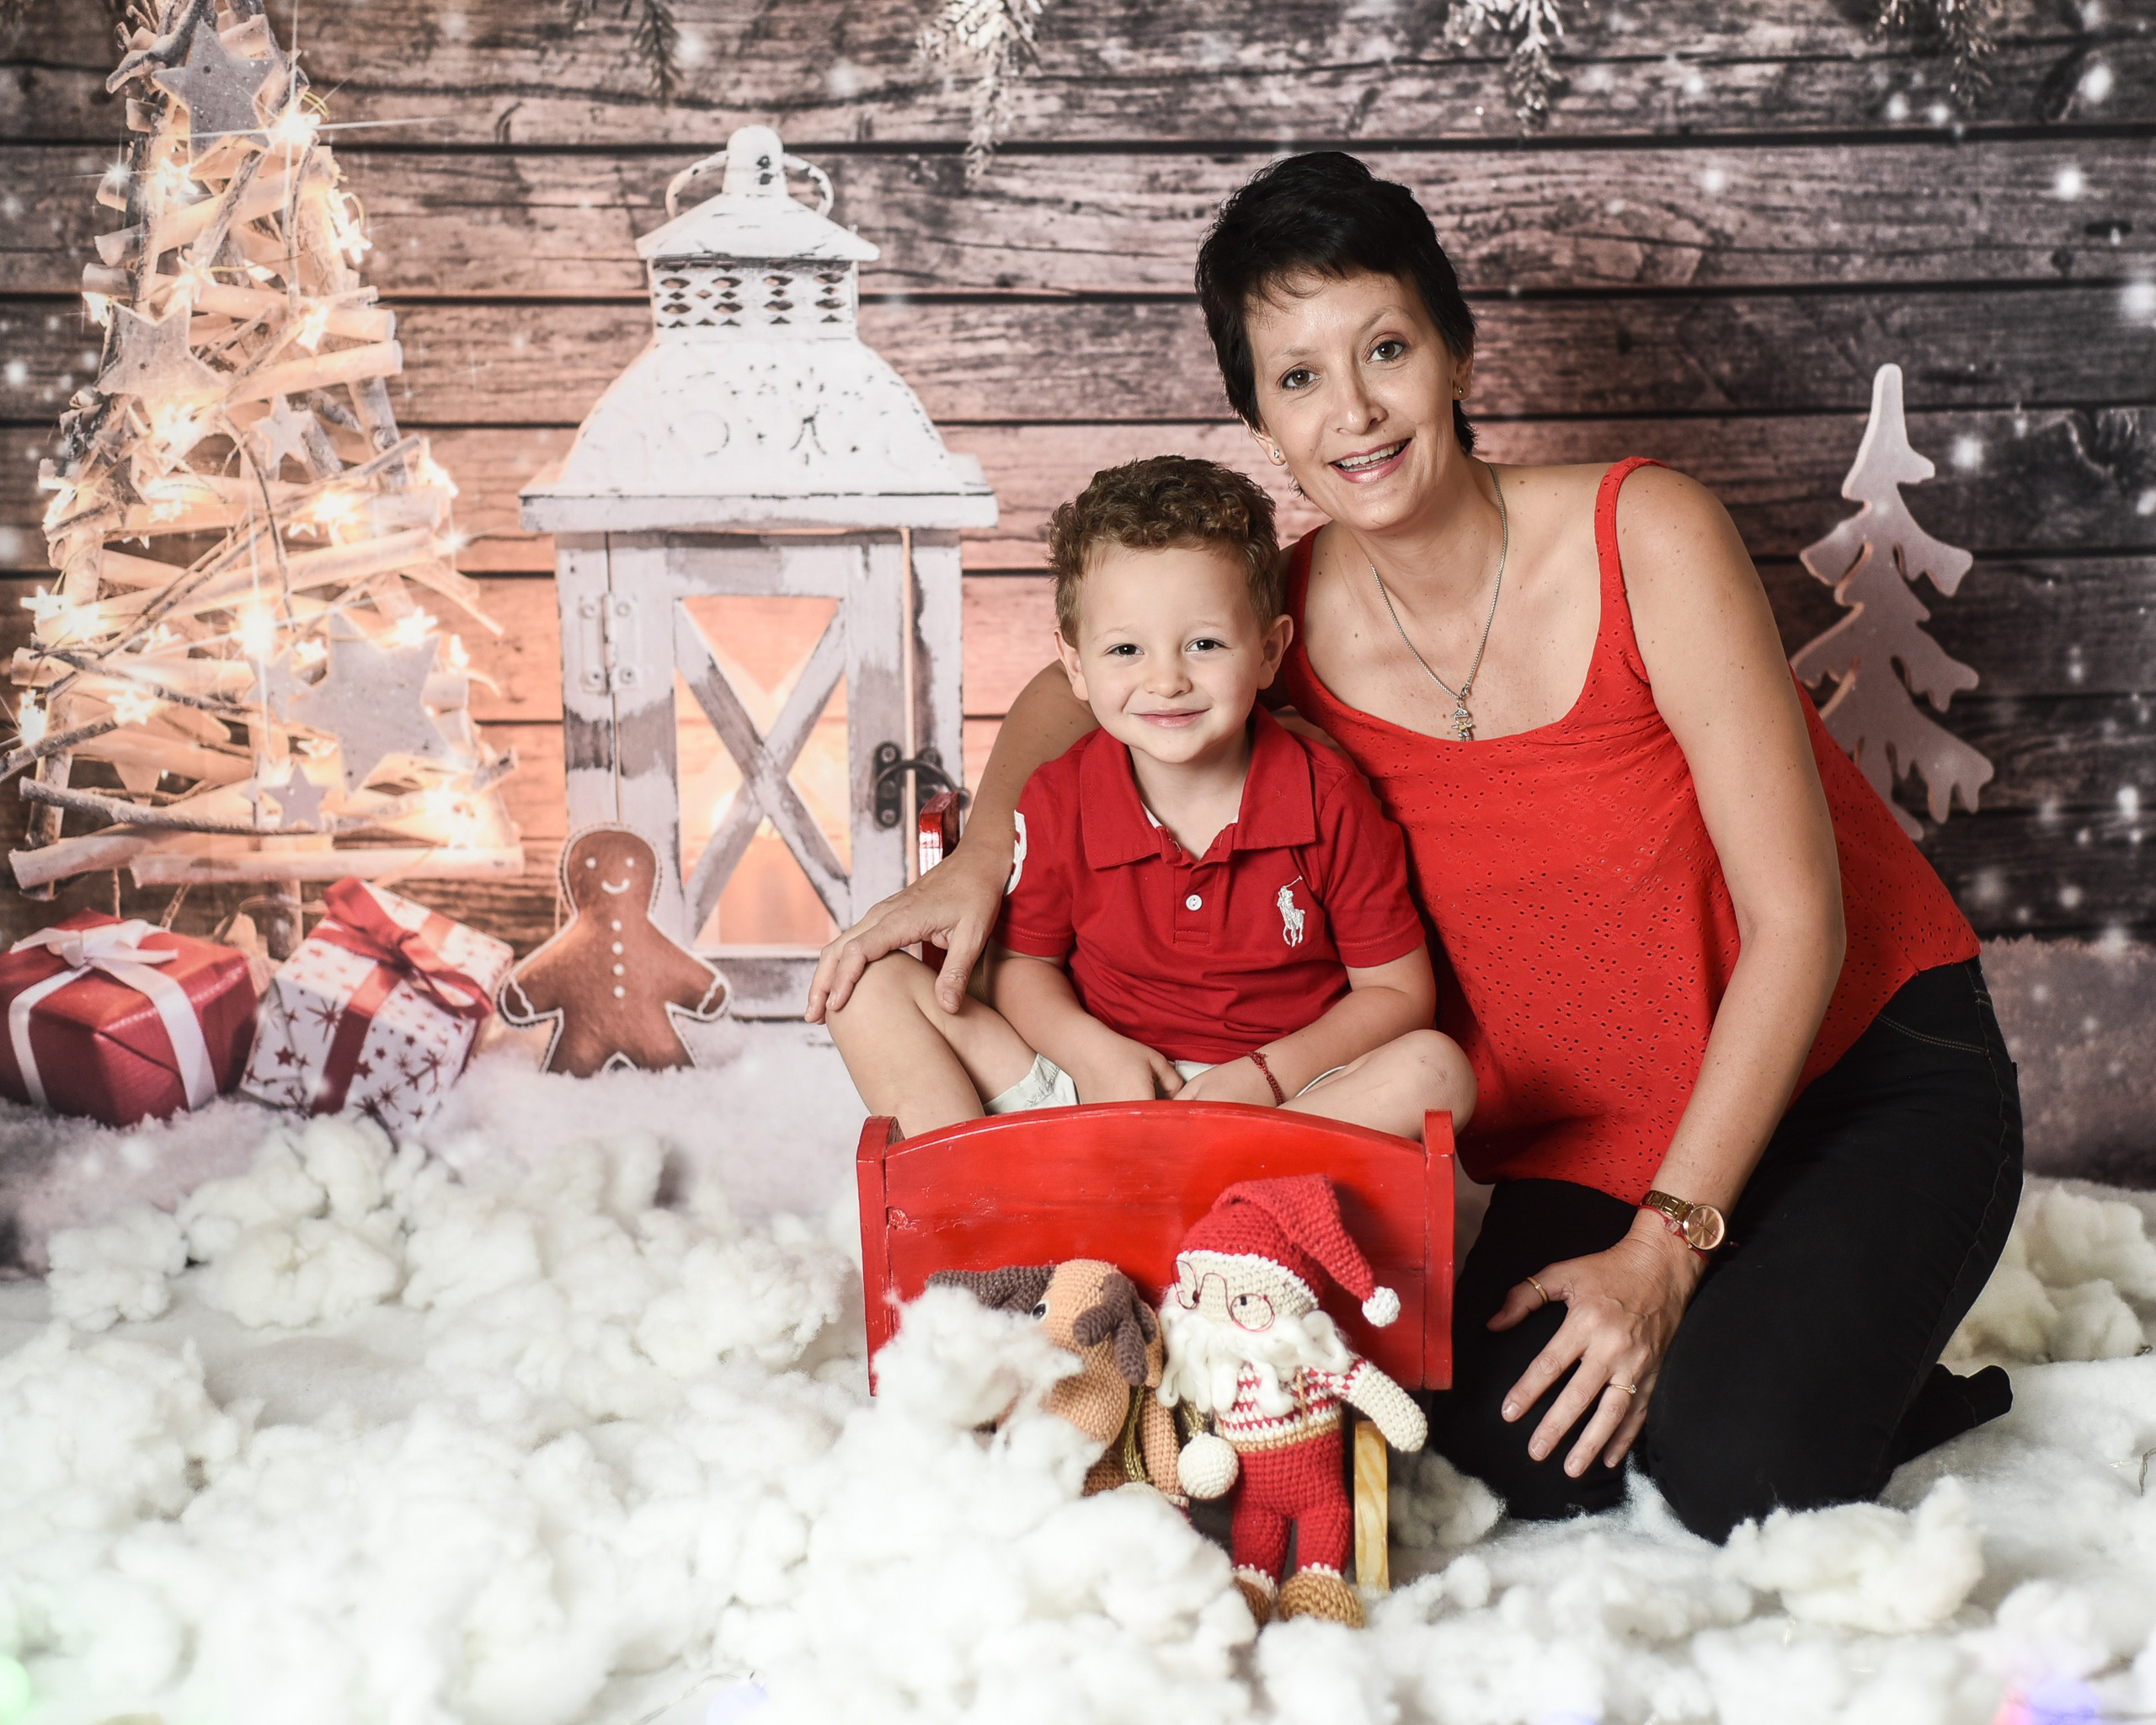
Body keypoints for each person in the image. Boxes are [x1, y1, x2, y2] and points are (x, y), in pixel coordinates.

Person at [808, 152, 2023, 1545]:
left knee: (1737, 1471)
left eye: (1385, 348)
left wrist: (1664, 1253)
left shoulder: (1646, 534)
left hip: (1856, 1074)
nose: (1356, 411)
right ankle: (1799, 1333)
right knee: (1494, 1444)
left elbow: (1800, 922)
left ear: (1455, 351)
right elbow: (1062, 693)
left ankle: (1832, 1342)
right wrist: (984, 855)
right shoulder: (1279, 620)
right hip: (1600, 1130)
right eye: (1299, 377)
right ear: (1260, 417)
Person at [822, 455, 1475, 1143]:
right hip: (1091, 1091)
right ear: (1075, 665)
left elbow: (1398, 993)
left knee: (1437, 1071)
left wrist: (1265, 1078)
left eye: (1204, 644)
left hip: (1277, 1110)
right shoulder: (1060, 796)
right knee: (866, 987)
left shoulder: (1328, 798)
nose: (1166, 681)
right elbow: (1023, 969)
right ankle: (976, 1198)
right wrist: (1091, 1054)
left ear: (1268, 651)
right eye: (1126, 650)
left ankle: (1228, 1195)